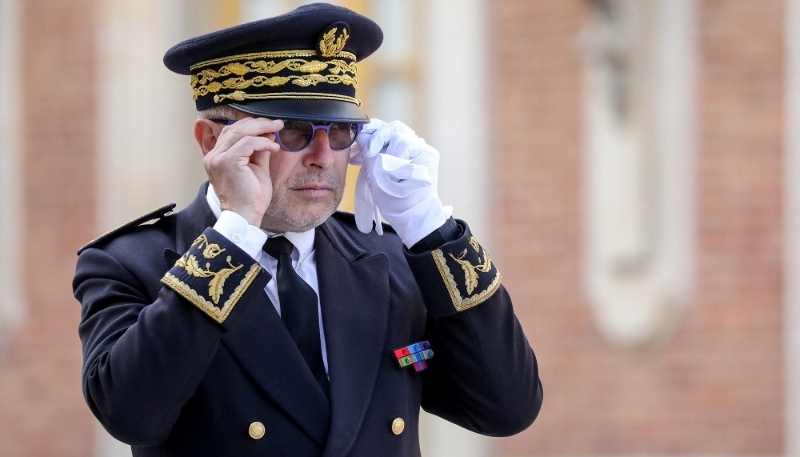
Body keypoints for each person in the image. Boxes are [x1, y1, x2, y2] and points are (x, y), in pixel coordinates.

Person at [73, 3, 542, 456]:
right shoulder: (132, 262)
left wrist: (430, 227)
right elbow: (131, 413)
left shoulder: (389, 260)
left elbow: (506, 408)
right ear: (214, 141)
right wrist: (235, 233)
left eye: (339, 132)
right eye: (293, 131)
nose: (323, 155)